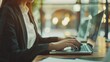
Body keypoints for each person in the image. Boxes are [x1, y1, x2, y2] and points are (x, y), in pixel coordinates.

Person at [0, 0, 81, 62]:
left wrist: (61, 40)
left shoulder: (26, 9)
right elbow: (13, 56)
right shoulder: (8, 12)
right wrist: (52, 46)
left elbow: (37, 40)